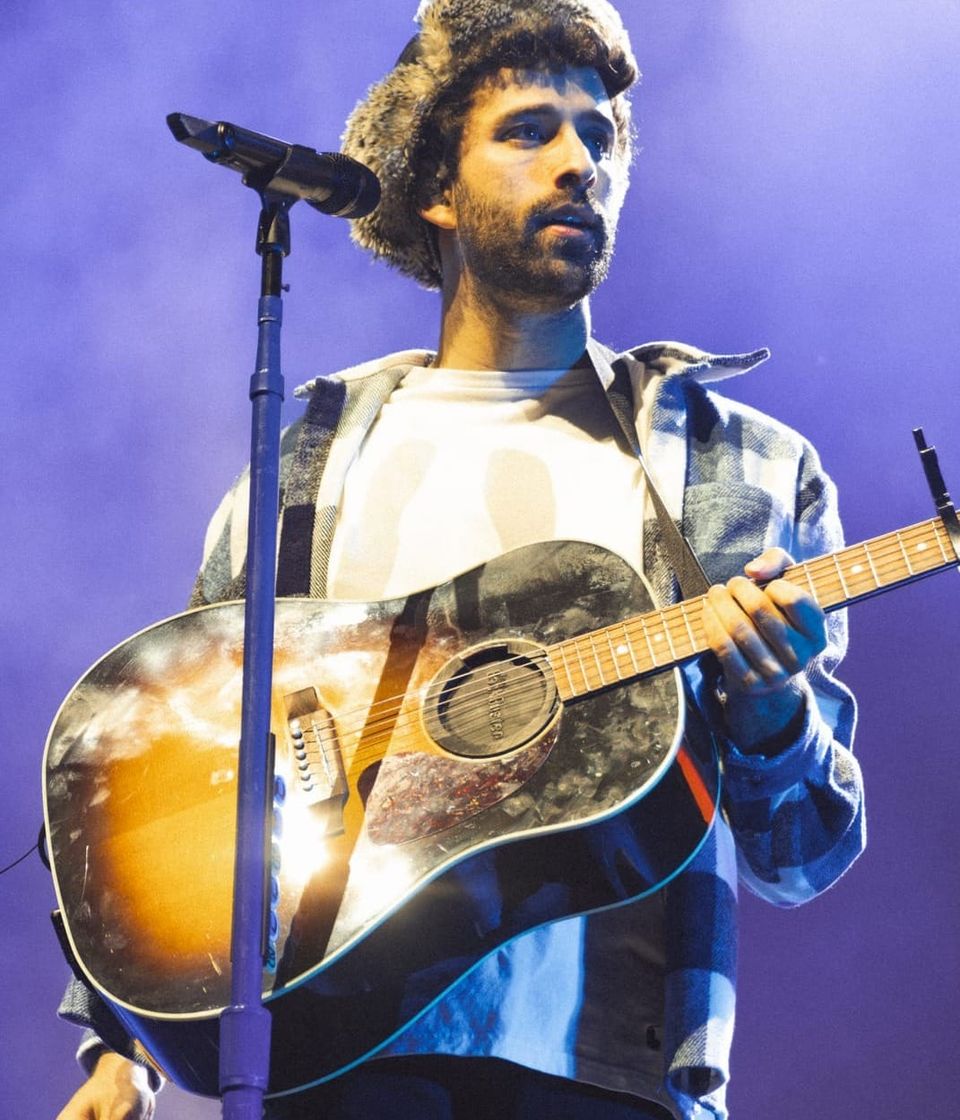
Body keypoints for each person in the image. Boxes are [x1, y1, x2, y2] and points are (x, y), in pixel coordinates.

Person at [56, 2, 865, 1118]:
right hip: (332, 1056)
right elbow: (177, 753)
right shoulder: (310, 456)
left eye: (603, 134)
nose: (582, 162)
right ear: (436, 185)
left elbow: (804, 856)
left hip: (609, 1070)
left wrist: (773, 705)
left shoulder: (740, 470)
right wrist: (121, 1043)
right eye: (531, 129)